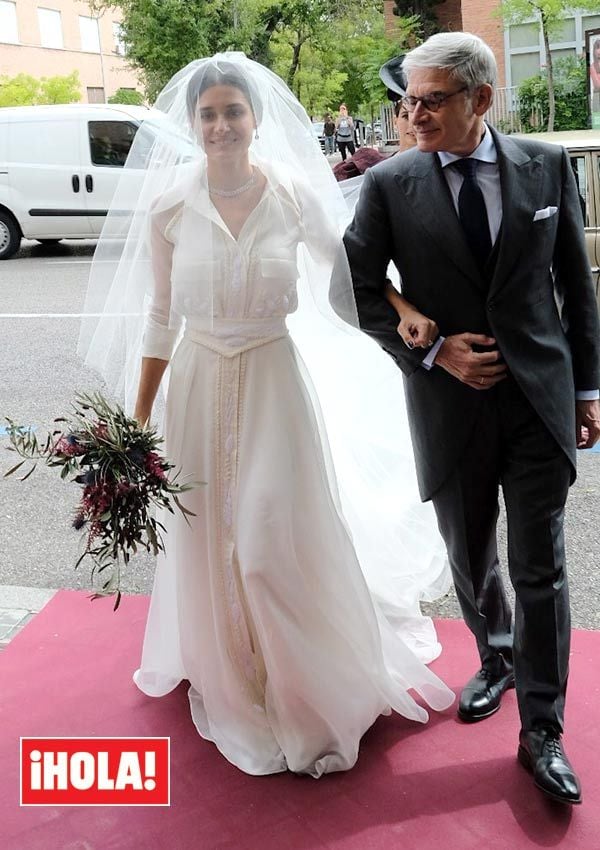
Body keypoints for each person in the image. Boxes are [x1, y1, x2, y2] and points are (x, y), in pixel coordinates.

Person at [79, 53, 453, 778]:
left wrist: (408, 317)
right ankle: (236, 674)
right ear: (193, 125)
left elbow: (350, 280)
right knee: (212, 542)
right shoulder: (167, 208)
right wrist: (136, 421)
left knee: (265, 544)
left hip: (275, 387)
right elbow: (159, 318)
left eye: (233, 112)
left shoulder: (291, 195)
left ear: (256, 121)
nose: (221, 125)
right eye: (208, 114)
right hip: (193, 386)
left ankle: (302, 687)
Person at [341, 31, 600, 805]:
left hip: (538, 400)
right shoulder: (390, 186)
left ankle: (543, 730)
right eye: (406, 101)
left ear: (480, 99)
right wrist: (432, 352)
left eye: (429, 100)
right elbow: (352, 286)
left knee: (542, 563)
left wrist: (588, 391)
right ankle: (495, 657)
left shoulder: (547, 166)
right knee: (470, 549)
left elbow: (577, 287)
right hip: (448, 405)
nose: (411, 115)